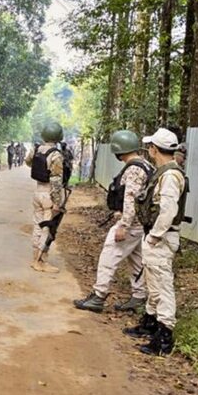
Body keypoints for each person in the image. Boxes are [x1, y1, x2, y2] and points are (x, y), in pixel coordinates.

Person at [122, 128, 187, 356]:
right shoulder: (164, 172)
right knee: (153, 282)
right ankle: (149, 323)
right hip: (156, 236)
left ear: (154, 149)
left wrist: (155, 236)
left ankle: (164, 337)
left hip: (161, 237)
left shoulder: (170, 176)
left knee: (162, 285)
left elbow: (168, 210)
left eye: (150, 146)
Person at [74, 130, 152, 313]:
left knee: (109, 256)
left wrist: (124, 225)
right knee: (137, 260)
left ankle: (98, 296)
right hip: (141, 223)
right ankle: (139, 297)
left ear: (119, 150)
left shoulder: (133, 169)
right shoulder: (146, 165)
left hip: (132, 224)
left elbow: (131, 198)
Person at [26, 122, 65, 274]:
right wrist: (57, 202)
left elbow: (28, 162)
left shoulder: (36, 150)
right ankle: (40, 261)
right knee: (46, 228)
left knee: (37, 225)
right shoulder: (55, 155)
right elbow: (56, 180)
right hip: (48, 193)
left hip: (37, 190)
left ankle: (35, 257)